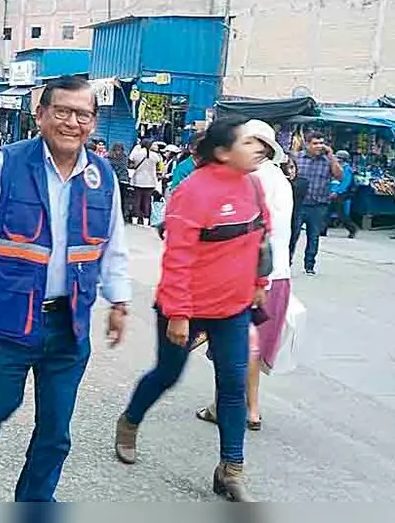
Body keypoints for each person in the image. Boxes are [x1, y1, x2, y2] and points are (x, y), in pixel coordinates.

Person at [0, 75, 130, 503]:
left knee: (56, 432)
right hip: (8, 319)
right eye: (61, 111)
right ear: (40, 116)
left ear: (93, 123)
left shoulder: (103, 176)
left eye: (82, 114)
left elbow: (112, 242)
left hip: (69, 325)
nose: (71, 122)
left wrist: (120, 300)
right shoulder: (6, 164)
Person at [114, 114, 269, 502]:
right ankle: (130, 421)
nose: (259, 150)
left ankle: (231, 470)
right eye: (248, 143)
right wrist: (180, 313)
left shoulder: (252, 186)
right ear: (222, 152)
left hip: (233, 309)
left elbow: (260, 238)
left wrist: (259, 284)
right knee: (168, 373)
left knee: (233, 385)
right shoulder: (192, 192)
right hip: (184, 306)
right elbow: (178, 258)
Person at [191, 120, 293, 432]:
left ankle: (246, 409)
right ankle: (236, 405)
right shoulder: (280, 180)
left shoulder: (248, 180)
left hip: (247, 276)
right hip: (278, 274)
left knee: (240, 348)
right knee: (249, 347)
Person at [289, 131, 343, 274]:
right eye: (315, 143)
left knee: (314, 237)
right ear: (307, 144)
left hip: (319, 205)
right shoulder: (297, 158)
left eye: (321, 143)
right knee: (293, 235)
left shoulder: (327, 161)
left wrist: (331, 156)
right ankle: (287, 262)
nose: (319, 146)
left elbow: (339, 176)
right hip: (299, 204)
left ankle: (309, 265)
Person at [128, 138, 162, 225]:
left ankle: (135, 219)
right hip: (150, 181)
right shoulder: (155, 156)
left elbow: (131, 163)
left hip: (137, 180)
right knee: (147, 201)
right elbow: (159, 167)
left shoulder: (137, 153)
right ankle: (146, 220)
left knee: (137, 200)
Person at [328, 150, 359, 238]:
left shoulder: (347, 169)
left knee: (340, 213)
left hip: (341, 194)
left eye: (338, 158)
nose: (336, 159)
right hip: (332, 192)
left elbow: (345, 183)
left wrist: (337, 192)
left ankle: (352, 228)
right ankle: (322, 230)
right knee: (326, 212)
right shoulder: (334, 167)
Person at [107, 141, 131, 218]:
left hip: (113, 180)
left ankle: (111, 214)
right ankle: (121, 215)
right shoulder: (124, 156)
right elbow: (124, 168)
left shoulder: (109, 156)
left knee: (112, 198)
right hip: (123, 180)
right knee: (122, 199)